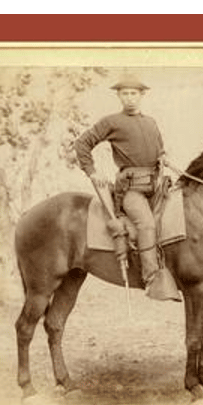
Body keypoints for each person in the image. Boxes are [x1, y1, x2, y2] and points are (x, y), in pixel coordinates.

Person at [75, 72, 175, 300]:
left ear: (141, 96)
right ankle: (151, 278)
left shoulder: (151, 122)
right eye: (125, 94)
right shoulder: (112, 122)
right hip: (131, 191)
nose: (130, 98)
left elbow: (159, 150)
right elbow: (82, 144)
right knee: (146, 224)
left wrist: (163, 157)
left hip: (156, 187)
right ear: (119, 96)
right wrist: (92, 172)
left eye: (134, 93)